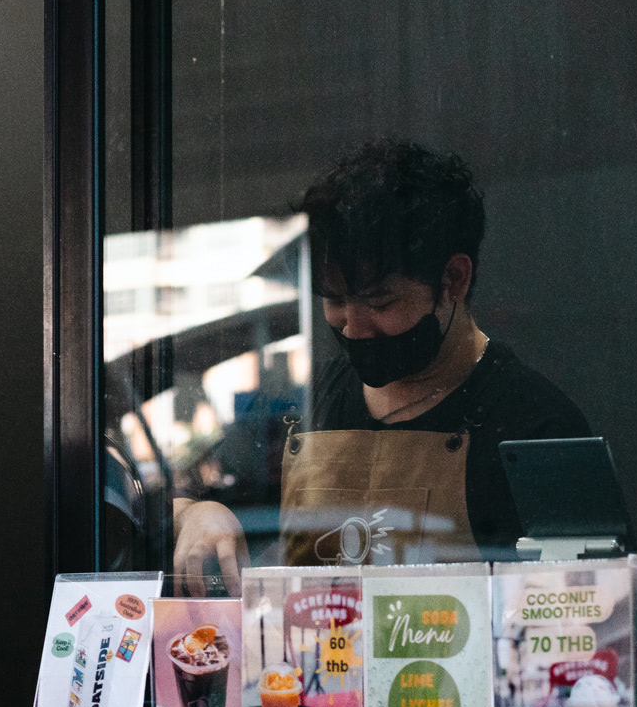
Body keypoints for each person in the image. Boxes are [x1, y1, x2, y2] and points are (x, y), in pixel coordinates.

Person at [175, 138, 595, 586]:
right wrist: (200, 512)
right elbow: (207, 509)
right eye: (334, 300)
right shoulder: (315, 402)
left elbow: (588, 607)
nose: (352, 328)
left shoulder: (535, 425)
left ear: (454, 278)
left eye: (379, 301)